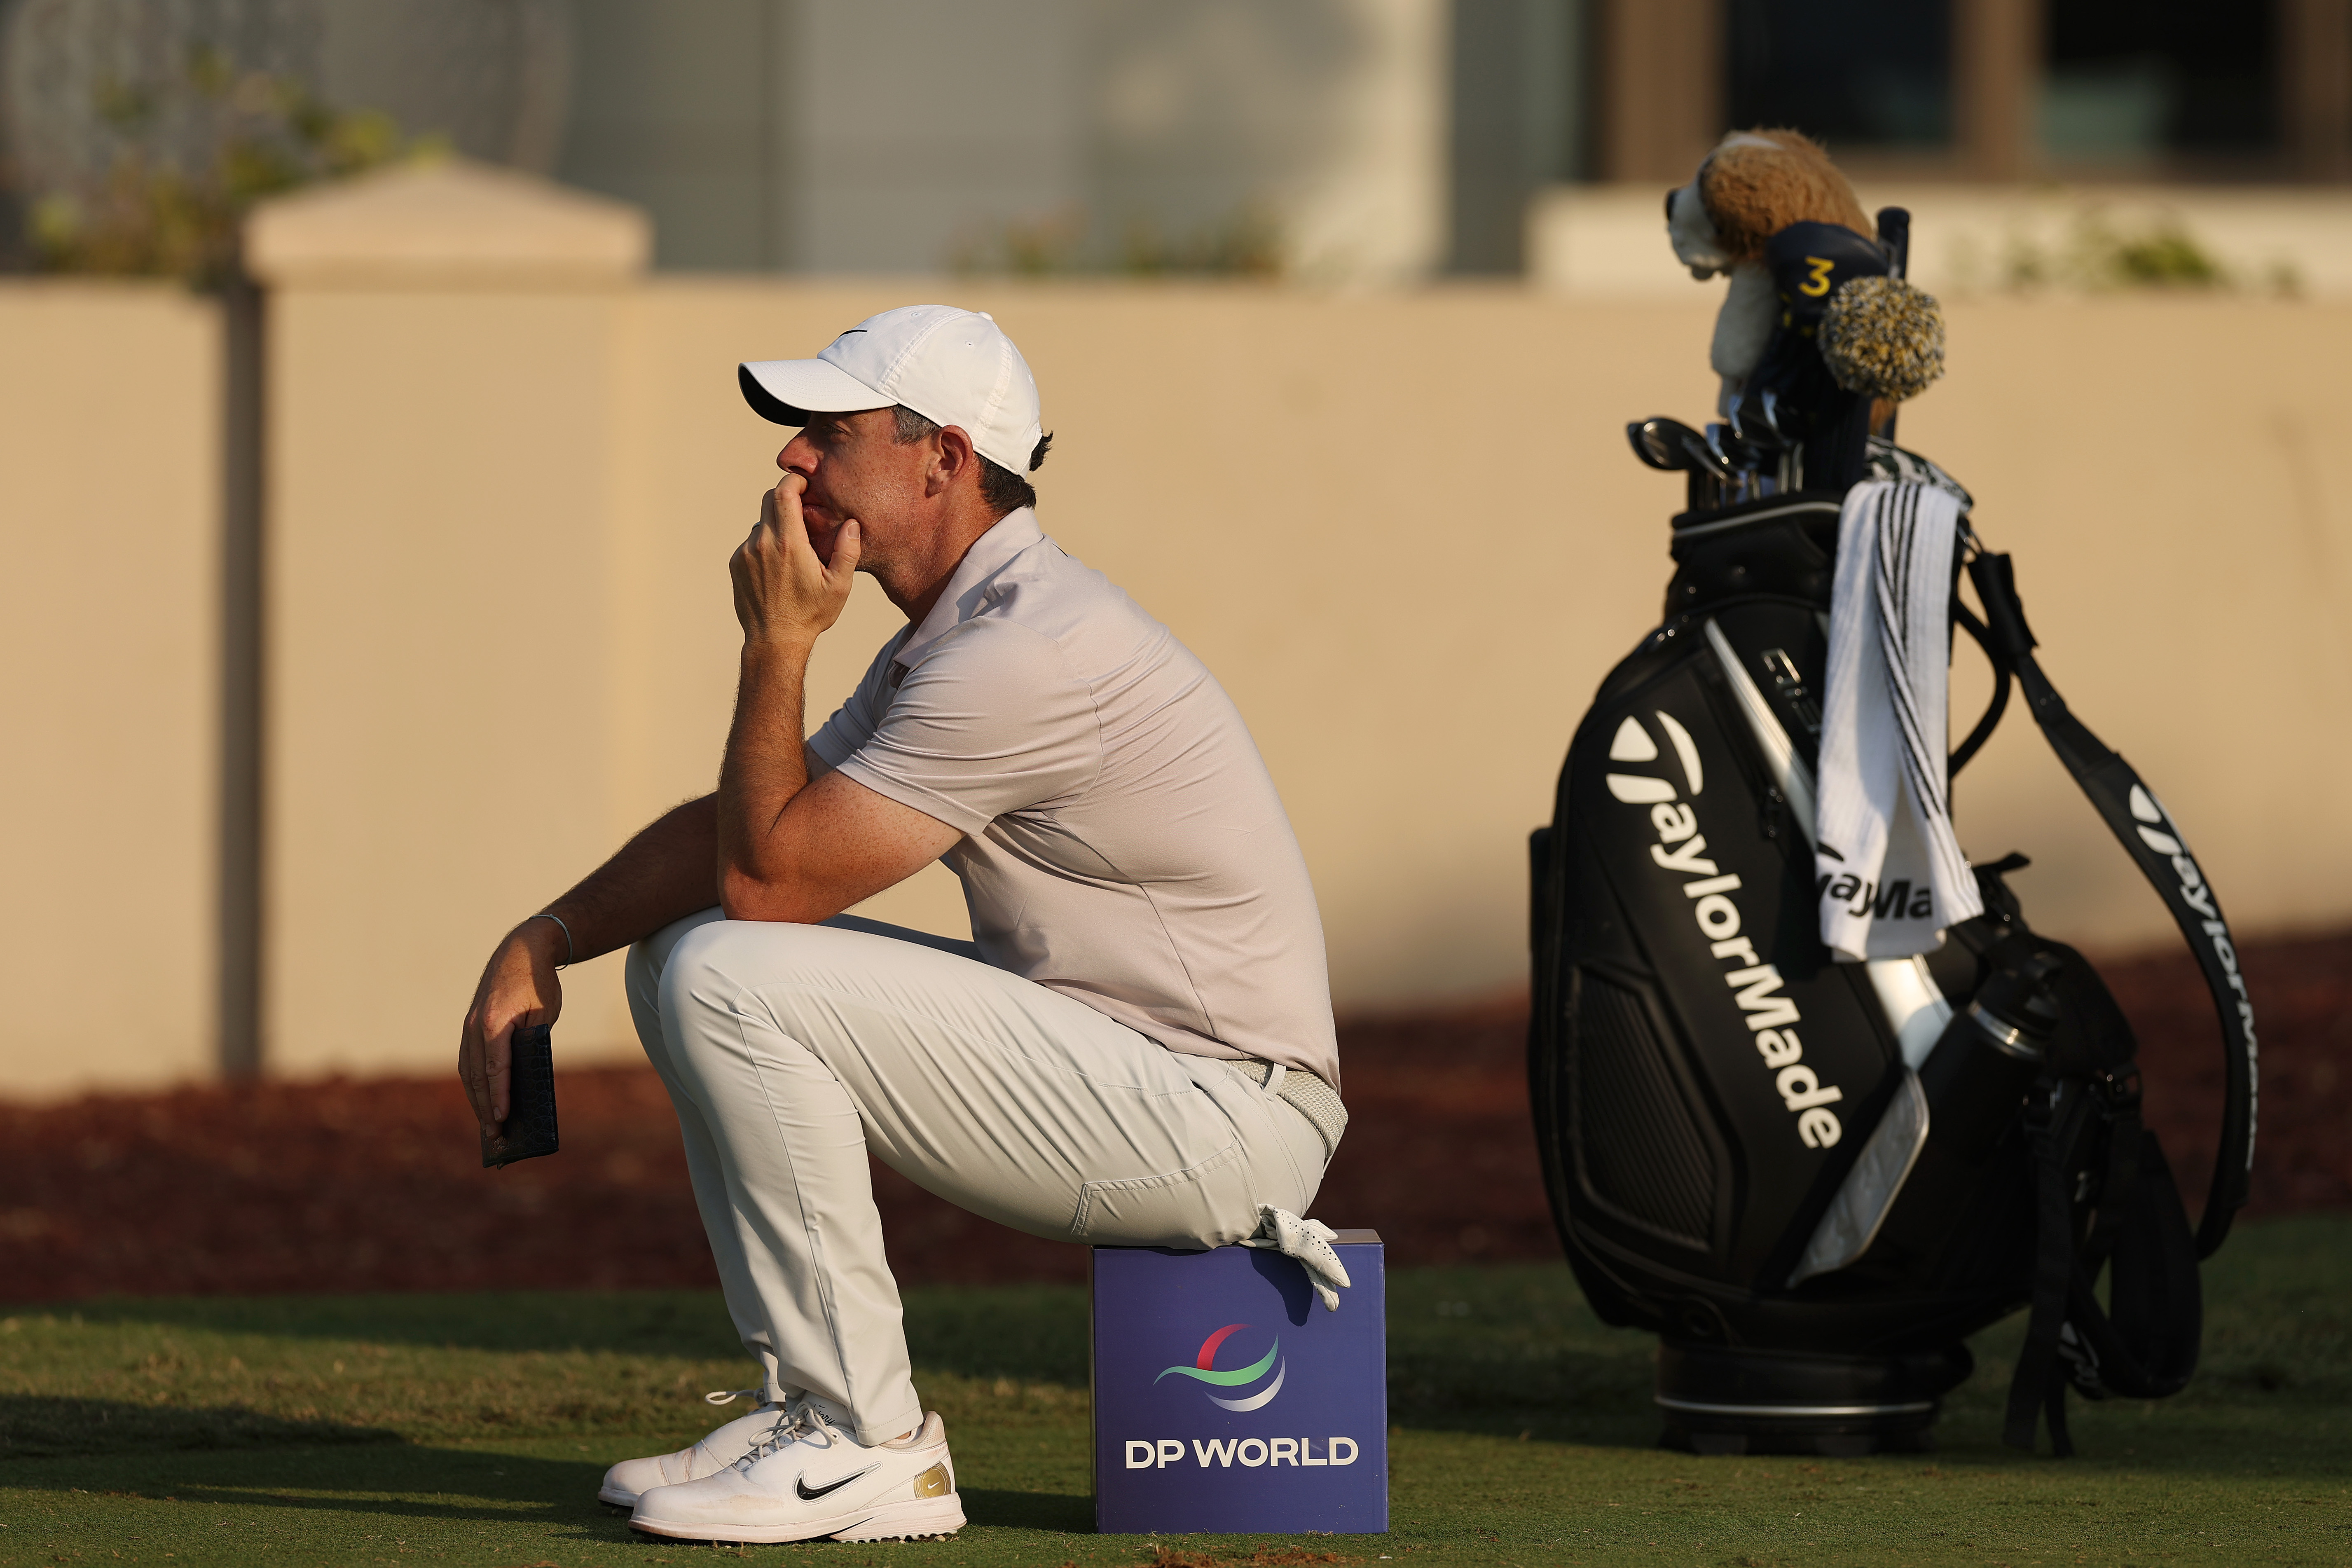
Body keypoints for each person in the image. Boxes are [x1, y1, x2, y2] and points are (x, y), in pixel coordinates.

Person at [455, 305, 1348, 1546]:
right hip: (1148, 1074)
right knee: (678, 953)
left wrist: (777, 647)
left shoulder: (1027, 652)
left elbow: (770, 883)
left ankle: (863, 1440)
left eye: (829, 430)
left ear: (946, 458)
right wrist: (548, 934)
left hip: (1225, 1121)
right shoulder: (968, 630)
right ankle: (805, 1411)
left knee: (729, 965)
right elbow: (746, 828)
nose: (792, 460)